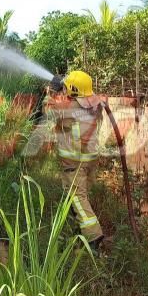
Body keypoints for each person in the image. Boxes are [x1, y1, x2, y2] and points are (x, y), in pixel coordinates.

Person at [45, 70, 105, 250]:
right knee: (78, 193)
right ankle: (77, 224)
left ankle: (94, 238)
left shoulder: (68, 109)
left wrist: (53, 92)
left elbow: (47, 112)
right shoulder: (96, 106)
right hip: (90, 158)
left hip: (74, 161)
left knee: (78, 197)